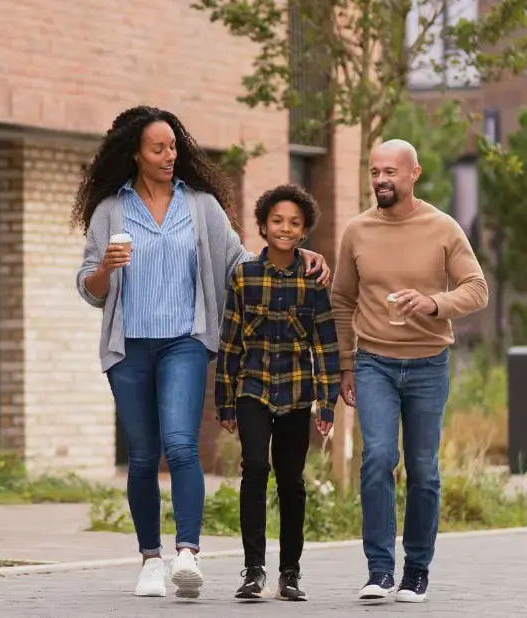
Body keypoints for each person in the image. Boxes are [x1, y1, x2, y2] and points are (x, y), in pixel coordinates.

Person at [73, 105, 330, 599]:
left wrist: (300, 260)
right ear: (135, 154)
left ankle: (187, 553)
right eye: (158, 149)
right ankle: (151, 559)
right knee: (144, 456)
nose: (170, 155)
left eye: (173, 147)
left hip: (184, 343)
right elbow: (90, 288)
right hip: (127, 347)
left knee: (182, 445)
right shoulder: (110, 210)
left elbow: (240, 263)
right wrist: (106, 266)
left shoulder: (200, 205)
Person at [330, 139, 489, 604]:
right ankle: (379, 570)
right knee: (378, 458)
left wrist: (435, 303)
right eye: (375, 172)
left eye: (390, 172)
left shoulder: (442, 228)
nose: (380, 180)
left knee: (424, 470)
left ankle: (416, 571)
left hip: (428, 365)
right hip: (373, 361)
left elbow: (477, 288)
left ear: (413, 173)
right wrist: (346, 362)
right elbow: (342, 299)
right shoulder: (357, 231)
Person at [215, 184, 339, 602]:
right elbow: (229, 341)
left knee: (291, 480)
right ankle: (253, 571)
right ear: (264, 227)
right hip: (252, 388)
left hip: (297, 393)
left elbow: (324, 342)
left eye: (294, 223)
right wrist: (225, 400)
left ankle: (290, 574)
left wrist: (328, 399)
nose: (285, 229)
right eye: (277, 221)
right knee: (254, 469)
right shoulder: (244, 275)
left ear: (304, 232)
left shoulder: (313, 279)